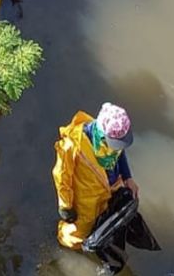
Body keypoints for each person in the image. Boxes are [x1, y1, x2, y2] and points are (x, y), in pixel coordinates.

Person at [52, 102, 139, 250]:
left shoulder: (112, 142)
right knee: (79, 231)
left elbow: (120, 154)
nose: (117, 147)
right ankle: (66, 246)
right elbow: (62, 176)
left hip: (110, 190)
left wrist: (128, 177)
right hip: (86, 200)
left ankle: (98, 240)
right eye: (115, 143)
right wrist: (66, 206)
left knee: (104, 221)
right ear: (102, 134)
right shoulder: (73, 146)